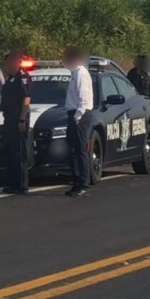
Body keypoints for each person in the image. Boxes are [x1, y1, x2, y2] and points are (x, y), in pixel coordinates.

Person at [0, 50, 32, 195]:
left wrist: (22, 119)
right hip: (9, 119)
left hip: (18, 119)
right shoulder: (10, 78)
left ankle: (22, 185)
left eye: (11, 62)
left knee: (19, 153)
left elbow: (26, 99)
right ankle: (13, 183)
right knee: (11, 152)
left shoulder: (22, 77)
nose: (8, 65)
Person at [63, 46, 94, 198]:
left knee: (80, 150)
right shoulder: (74, 73)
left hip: (80, 115)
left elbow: (84, 97)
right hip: (74, 114)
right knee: (73, 151)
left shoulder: (81, 73)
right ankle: (76, 181)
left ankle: (83, 183)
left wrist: (77, 116)